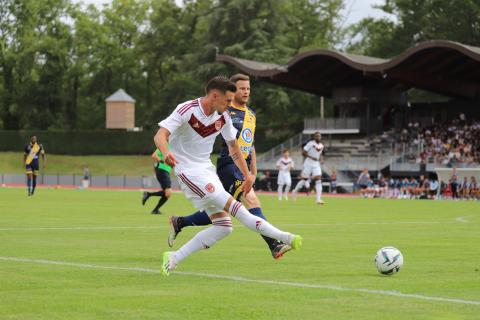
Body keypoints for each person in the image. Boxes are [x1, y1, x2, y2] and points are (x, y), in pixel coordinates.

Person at [155, 76, 302, 276]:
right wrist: (166, 152)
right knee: (238, 209)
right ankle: (285, 237)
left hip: (207, 170)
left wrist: (248, 174)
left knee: (224, 227)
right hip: (188, 172)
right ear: (215, 96)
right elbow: (160, 135)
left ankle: (173, 258)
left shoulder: (223, 117)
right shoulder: (187, 109)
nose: (229, 105)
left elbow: (234, 148)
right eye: (227, 101)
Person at [292, 132, 325, 204]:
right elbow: (303, 153)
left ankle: (318, 199)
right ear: (314, 137)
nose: (318, 137)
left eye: (319, 136)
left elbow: (320, 154)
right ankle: (295, 191)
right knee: (304, 180)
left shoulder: (322, 145)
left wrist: (321, 159)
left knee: (319, 179)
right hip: (308, 164)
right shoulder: (310, 143)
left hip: (316, 164)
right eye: (317, 136)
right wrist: (312, 157)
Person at [142, 148, 172, 214]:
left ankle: (155, 210)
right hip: (162, 170)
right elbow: (154, 155)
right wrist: (162, 161)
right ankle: (148, 195)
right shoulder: (165, 145)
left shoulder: (173, 146)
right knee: (168, 193)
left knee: (167, 194)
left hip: (164, 171)